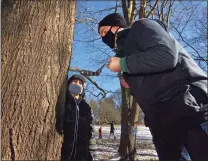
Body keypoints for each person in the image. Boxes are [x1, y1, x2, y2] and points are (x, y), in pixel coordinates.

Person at [98, 13, 208, 161]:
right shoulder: (126, 53)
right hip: (161, 123)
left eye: (104, 31)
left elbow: (167, 55)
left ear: (116, 26)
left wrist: (123, 63)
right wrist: (131, 85)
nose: (103, 38)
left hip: (190, 108)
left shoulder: (141, 26)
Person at [55, 74, 95, 161]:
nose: (77, 84)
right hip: (64, 153)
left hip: (82, 154)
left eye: (80, 83)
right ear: (68, 84)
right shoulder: (62, 102)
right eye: (74, 81)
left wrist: (91, 151)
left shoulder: (87, 107)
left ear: (83, 88)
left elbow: (91, 131)